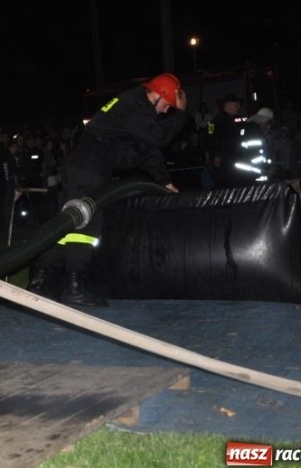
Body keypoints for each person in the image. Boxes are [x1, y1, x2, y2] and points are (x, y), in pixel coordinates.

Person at [26, 73, 188, 307]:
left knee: (66, 226)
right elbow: (159, 137)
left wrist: (164, 181)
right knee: (86, 227)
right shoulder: (135, 104)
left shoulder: (133, 109)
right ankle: (73, 287)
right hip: (88, 168)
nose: (165, 112)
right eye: (167, 106)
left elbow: (147, 150)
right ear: (159, 95)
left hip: (82, 166)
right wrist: (181, 114)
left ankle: (39, 281)